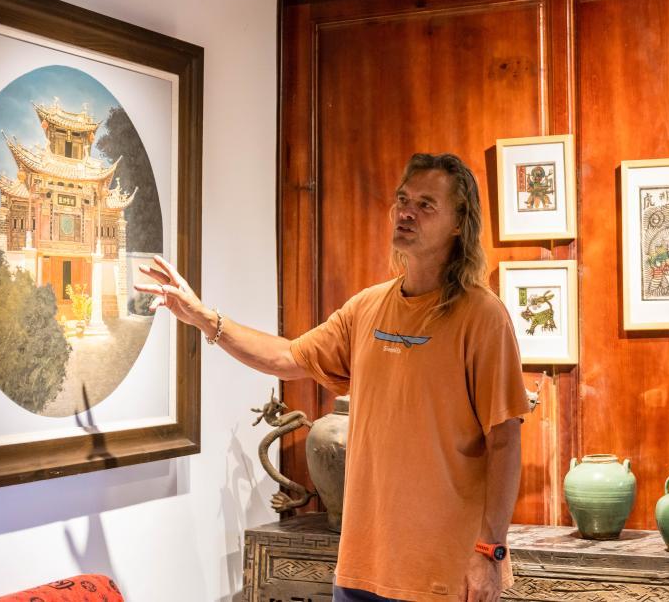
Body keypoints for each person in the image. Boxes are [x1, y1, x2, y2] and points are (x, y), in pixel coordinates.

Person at [136, 153, 529, 602]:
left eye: (425, 205)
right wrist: (204, 318)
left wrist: (490, 549)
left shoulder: (482, 316)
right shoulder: (367, 307)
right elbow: (286, 357)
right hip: (361, 569)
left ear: (459, 223)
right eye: (403, 199)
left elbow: (505, 439)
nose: (406, 212)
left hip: (445, 573)